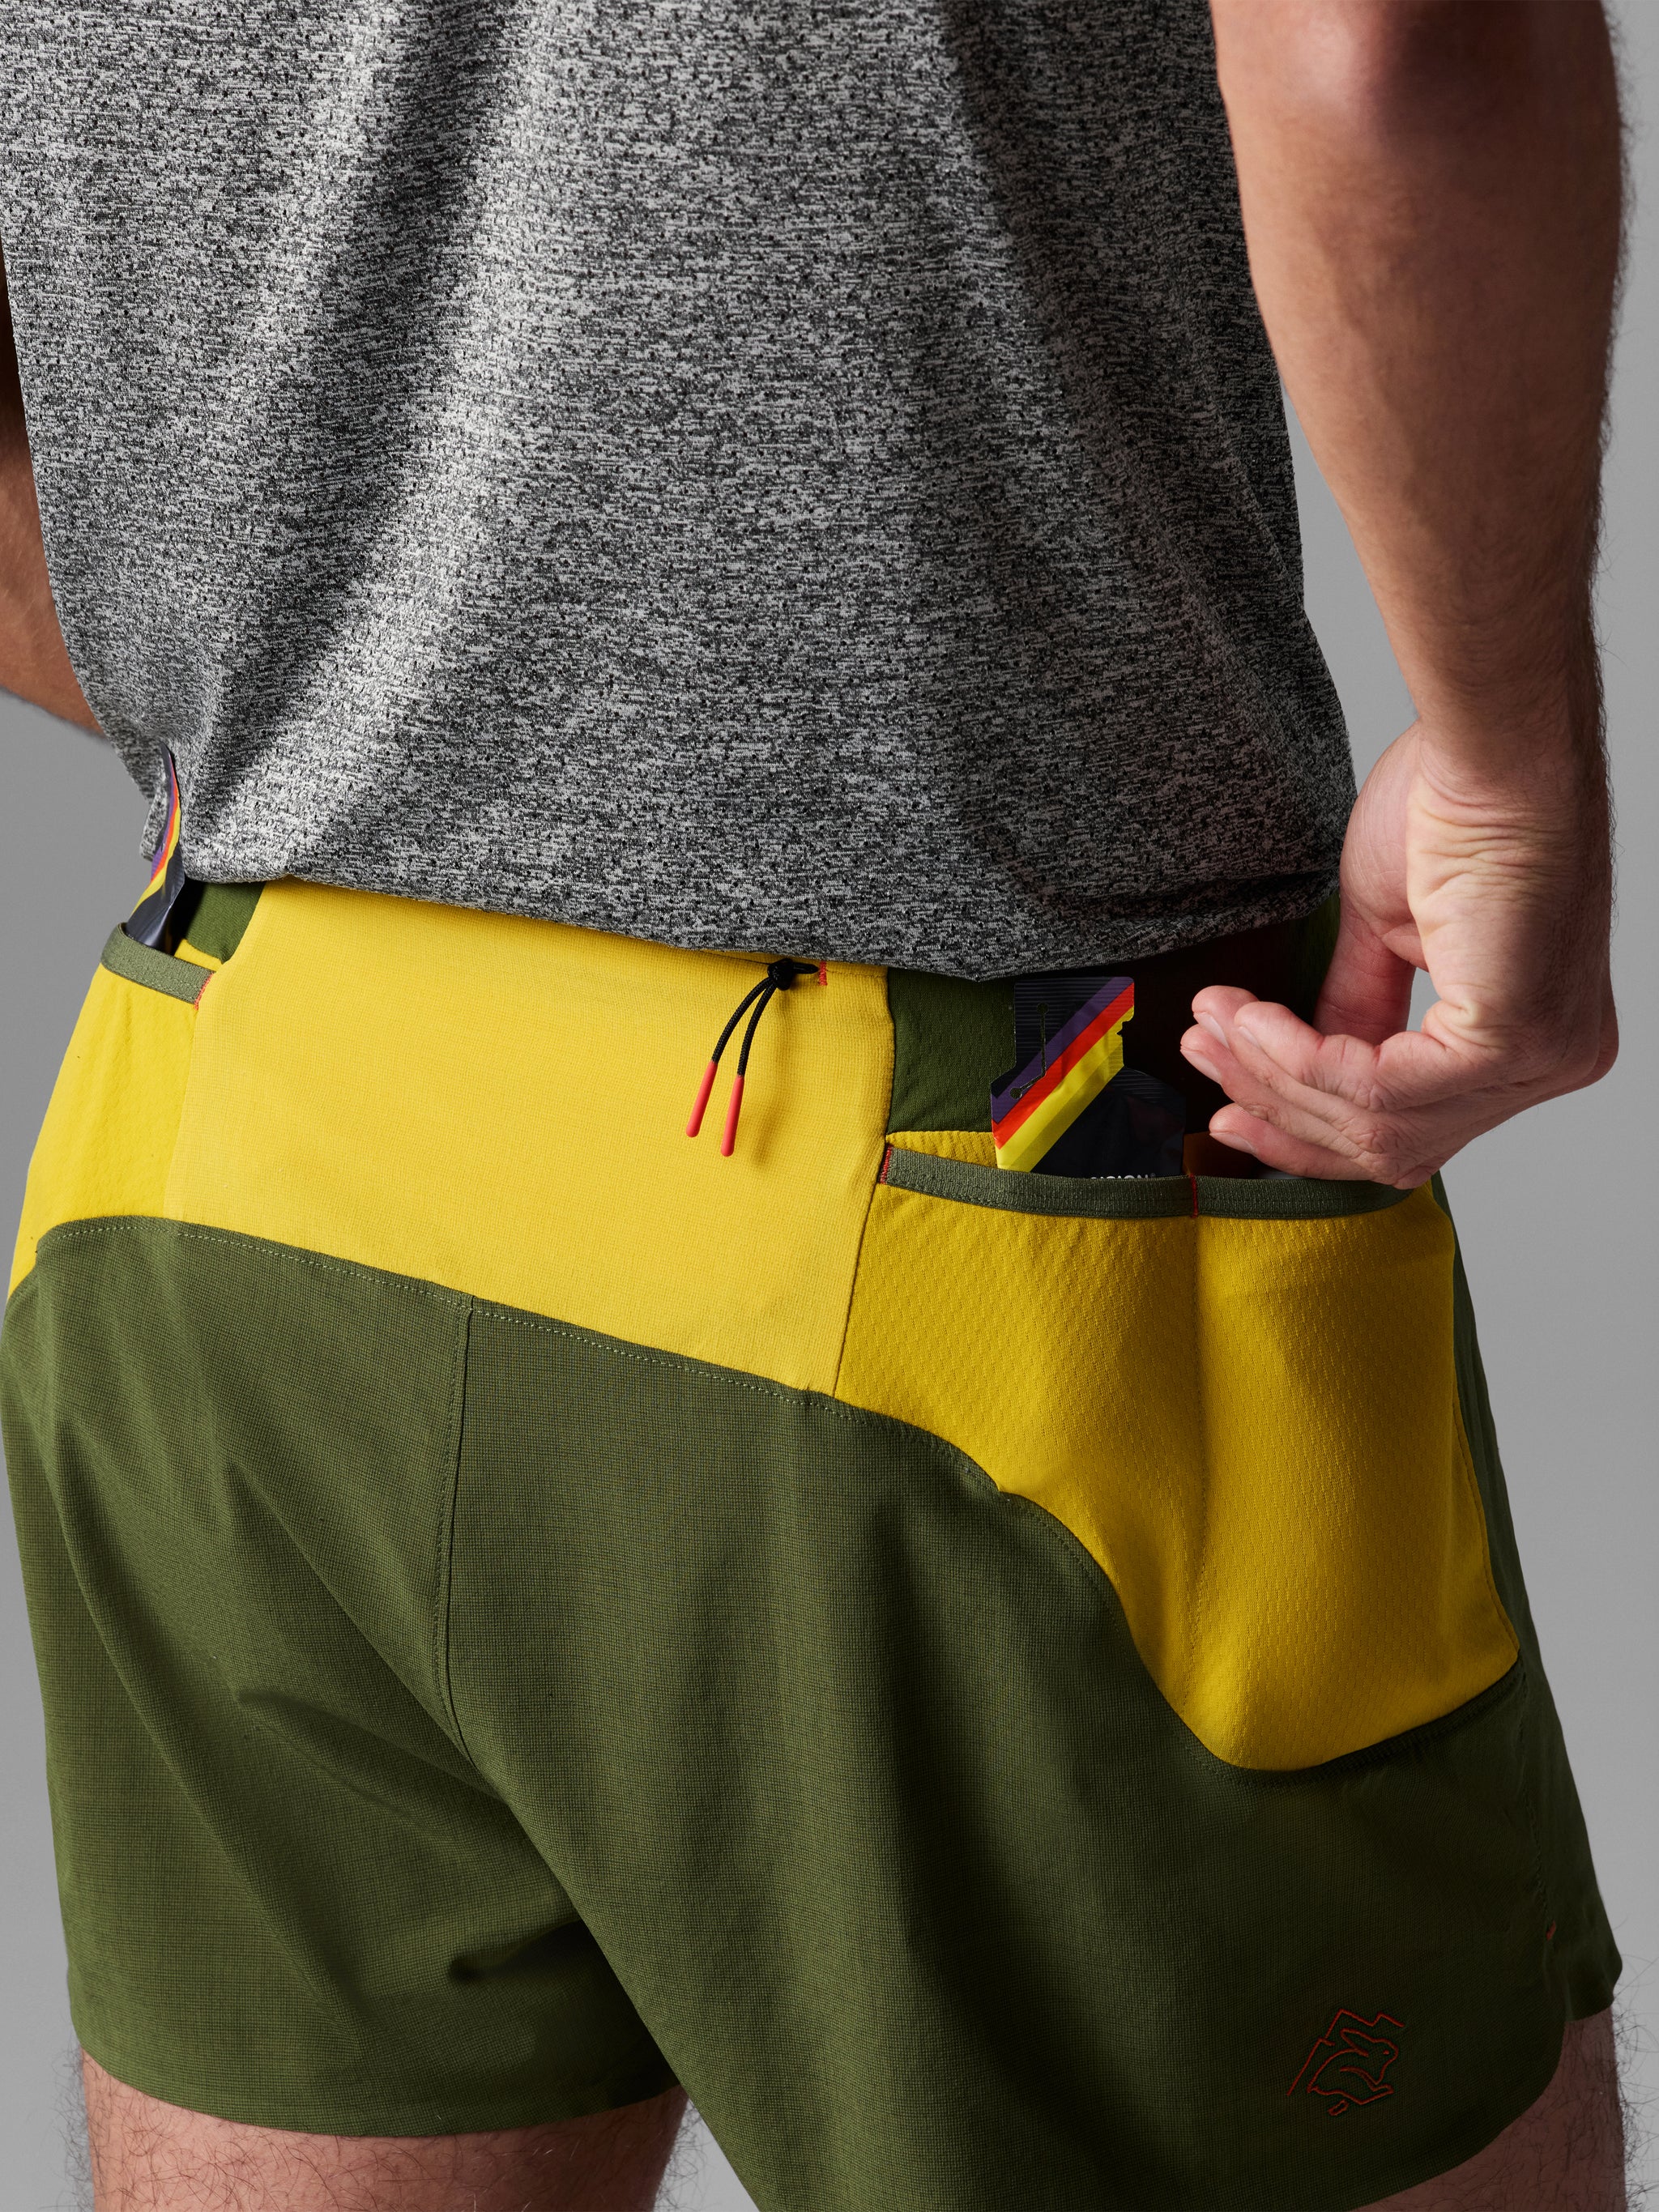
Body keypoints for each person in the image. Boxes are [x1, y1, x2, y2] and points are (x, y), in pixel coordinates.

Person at [0, 1, 1627, 2206]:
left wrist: (375, 735)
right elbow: (1381, 50)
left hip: (230, 1138)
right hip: (969, 1213)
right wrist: (1512, 768)